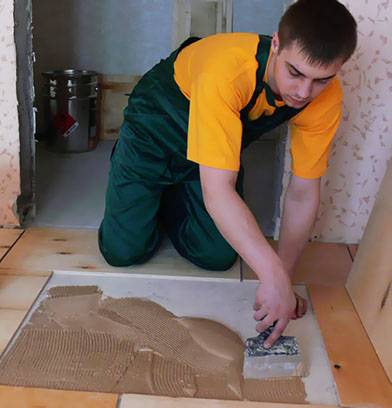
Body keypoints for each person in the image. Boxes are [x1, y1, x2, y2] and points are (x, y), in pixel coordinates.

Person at [98, 0, 357, 347]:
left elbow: (303, 191)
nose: (303, 92)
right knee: (123, 251)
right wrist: (272, 275)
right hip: (153, 133)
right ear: (276, 43)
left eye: (320, 80)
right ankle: (136, 176)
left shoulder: (325, 99)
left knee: (216, 256)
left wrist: (282, 278)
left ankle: (178, 191)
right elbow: (219, 192)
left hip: (211, 155)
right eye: (295, 73)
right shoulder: (227, 71)